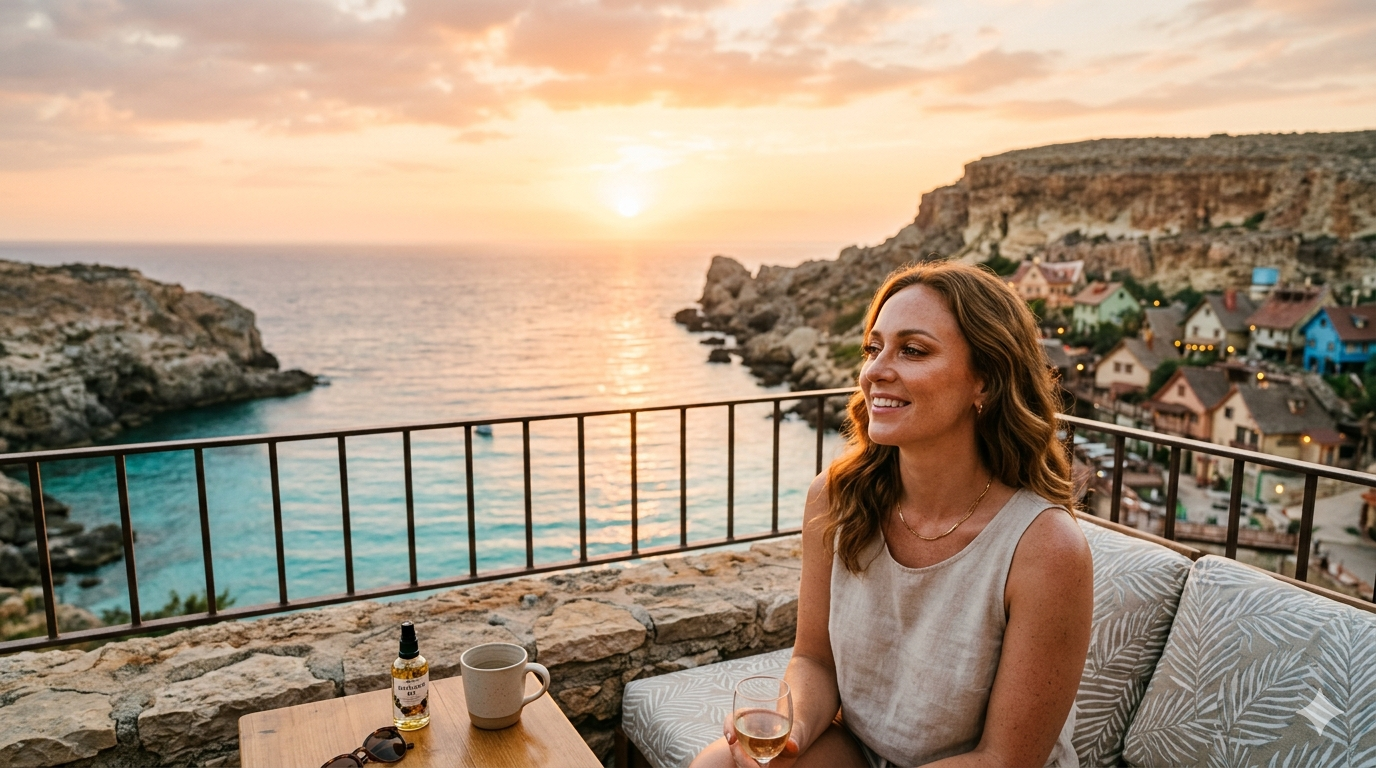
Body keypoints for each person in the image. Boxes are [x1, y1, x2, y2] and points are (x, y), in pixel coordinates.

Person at [691, 260, 1093, 768]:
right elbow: (814, 660)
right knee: (720, 765)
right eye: (873, 348)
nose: (874, 371)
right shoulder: (836, 498)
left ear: (986, 382)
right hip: (863, 752)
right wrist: (790, 731)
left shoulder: (1045, 548)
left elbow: (1005, 759)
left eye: (913, 350)